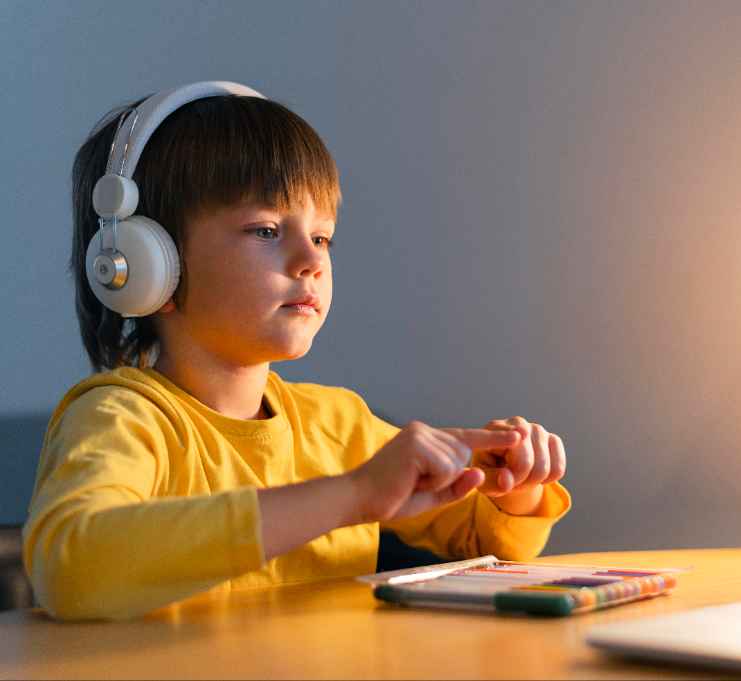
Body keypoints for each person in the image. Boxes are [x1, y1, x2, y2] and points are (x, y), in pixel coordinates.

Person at [22, 82, 571, 620]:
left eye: (323, 236)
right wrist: (351, 495)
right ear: (148, 265)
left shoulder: (338, 424)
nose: (311, 258)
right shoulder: (121, 419)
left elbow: (487, 537)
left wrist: (512, 489)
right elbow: (72, 565)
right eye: (264, 230)